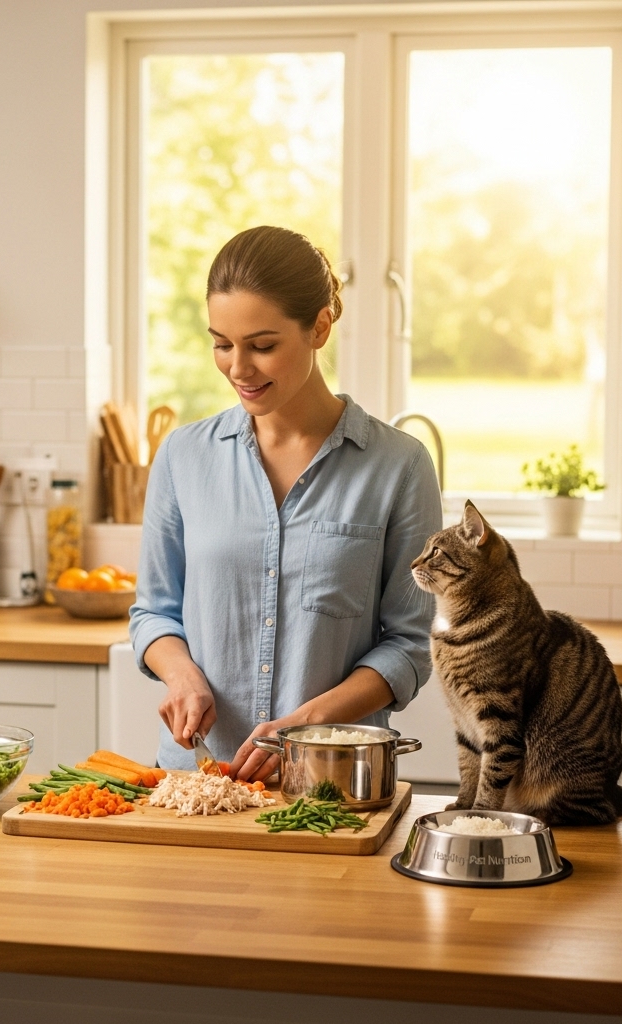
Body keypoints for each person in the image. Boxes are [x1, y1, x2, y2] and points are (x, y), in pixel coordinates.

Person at [129, 226, 442, 781]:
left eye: (263, 345)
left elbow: (408, 646)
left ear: (320, 326)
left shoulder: (400, 467)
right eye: (222, 343)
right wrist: (181, 676)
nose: (238, 369)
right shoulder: (183, 455)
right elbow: (154, 612)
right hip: (196, 779)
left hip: (332, 783)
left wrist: (307, 726)